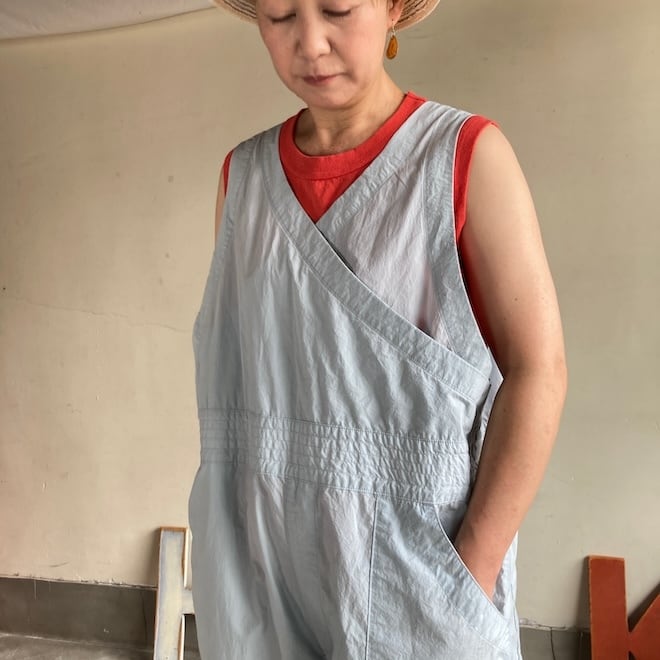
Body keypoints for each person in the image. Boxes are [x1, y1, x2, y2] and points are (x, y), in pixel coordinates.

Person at [188, 0, 567, 656]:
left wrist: (470, 570)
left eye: (337, 7)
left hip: (415, 572)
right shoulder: (243, 179)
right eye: (280, 15)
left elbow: (539, 371)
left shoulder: (464, 158)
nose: (310, 42)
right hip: (260, 563)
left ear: (392, 6)